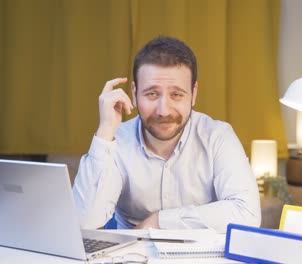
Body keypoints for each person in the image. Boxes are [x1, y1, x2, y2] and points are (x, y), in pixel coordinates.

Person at [73, 36, 261, 232]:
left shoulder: (218, 136)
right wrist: (104, 131)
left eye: (177, 95)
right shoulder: (115, 139)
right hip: (131, 255)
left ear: (193, 94)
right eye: (152, 94)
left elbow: (247, 214)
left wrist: (160, 221)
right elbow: (84, 223)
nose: (163, 110)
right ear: (134, 93)